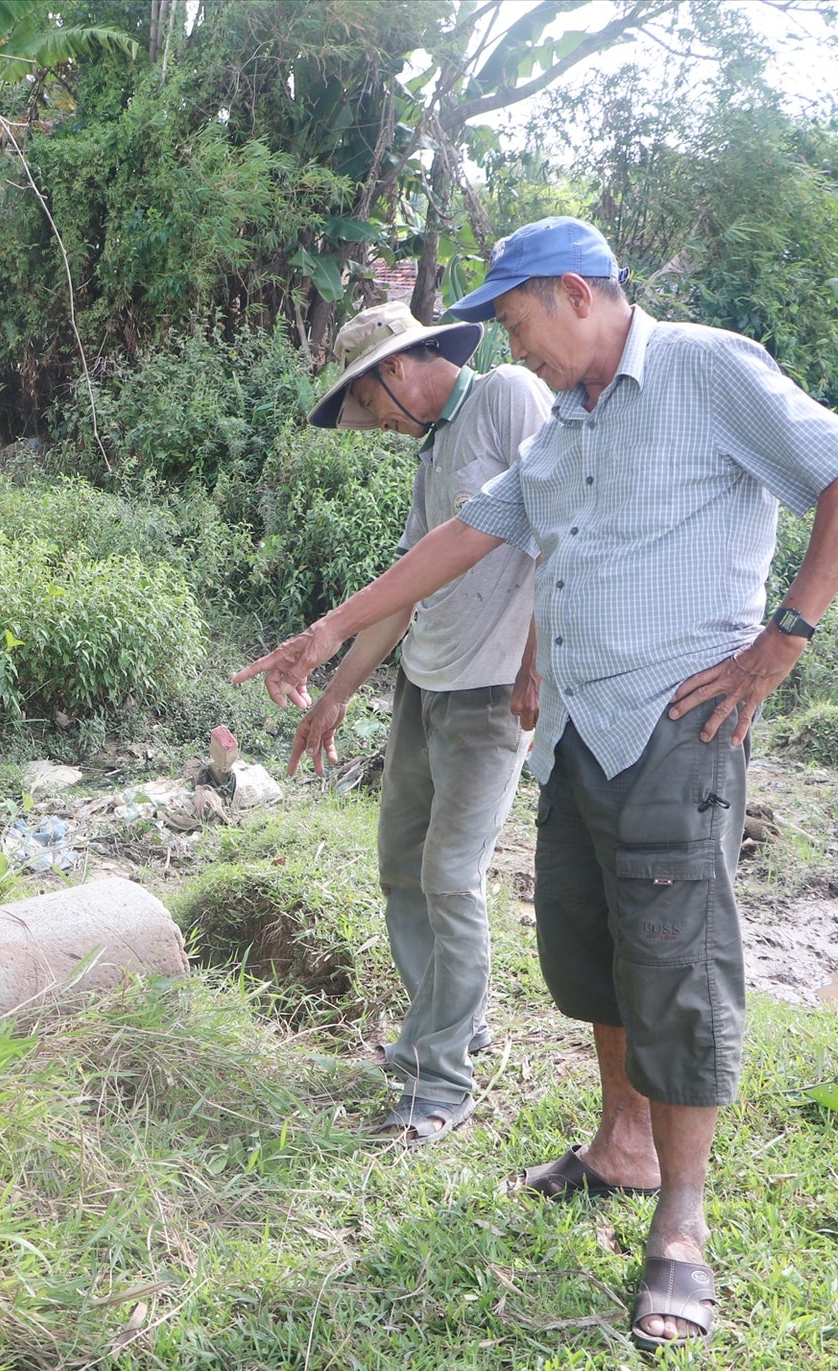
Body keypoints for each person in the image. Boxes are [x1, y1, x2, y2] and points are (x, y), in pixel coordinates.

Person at [235, 216, 838, 1353]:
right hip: (578, 729)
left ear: (577, 294)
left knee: (676, 967)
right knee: (590, 953)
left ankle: (681, 1226)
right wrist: (330, 628)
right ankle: (619, 1148)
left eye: (518, 317)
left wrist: (782, 640)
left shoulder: (704, 365)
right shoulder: (573, 422)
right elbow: (476, 529)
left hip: (675, 724)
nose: (512, 344)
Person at [293, 301, 550, 1143]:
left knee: (450, 878)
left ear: (396, 371)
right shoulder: (434, 448)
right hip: (423, 689)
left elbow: (561, 527)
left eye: (371, 408)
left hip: (490, 697)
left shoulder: (509, 394)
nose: (379, 426)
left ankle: (441, 1083)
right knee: (401, 868)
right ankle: (438, 1030)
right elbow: (404, 592)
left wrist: (537, 660)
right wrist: (336, 692)